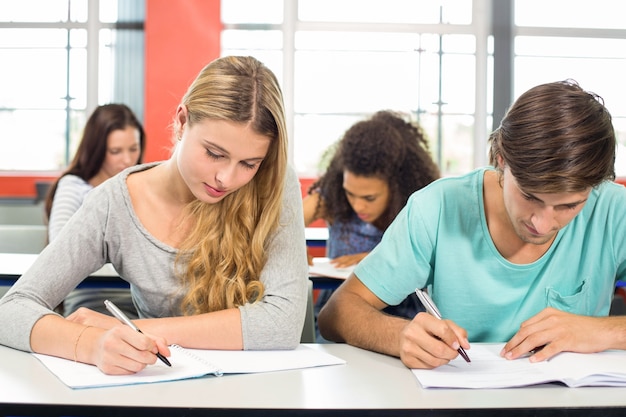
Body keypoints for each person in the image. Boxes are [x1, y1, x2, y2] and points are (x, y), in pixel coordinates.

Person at [0, 56, 308, 375]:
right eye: (214, 154)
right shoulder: (113, 204)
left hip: (265, 389)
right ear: (182, 121)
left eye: (249, 163)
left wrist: (137, 328)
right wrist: (90, 344)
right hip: (164, 387)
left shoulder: (273, 181)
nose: (227, 179)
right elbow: (11, 310)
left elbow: (281, 324)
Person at [318, 80, 626, 369]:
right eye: (530, 196)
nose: (543, 224)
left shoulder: (615, 210)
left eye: (569, 205)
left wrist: (606, 330)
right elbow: (337, 313)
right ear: (501, 159)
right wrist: (398, 336)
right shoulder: (436, 207)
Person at [303, 110, 440, 336]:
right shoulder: (332, 198)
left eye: (369, 198)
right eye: (350, 194)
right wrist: (294, 248)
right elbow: (285, 223)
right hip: (339, 321)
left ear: (396, 188)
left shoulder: (419, 209)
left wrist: (377, 261)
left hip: (406, 323)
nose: (358, 206)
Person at [44, 103, 146, 318]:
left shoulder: (144, 185)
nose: (127, 160)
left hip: (143, 297)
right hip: (90, 295)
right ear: (97, 149)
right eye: (115, 151)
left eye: (133, 149)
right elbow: (60, 246)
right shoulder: (75, 185)